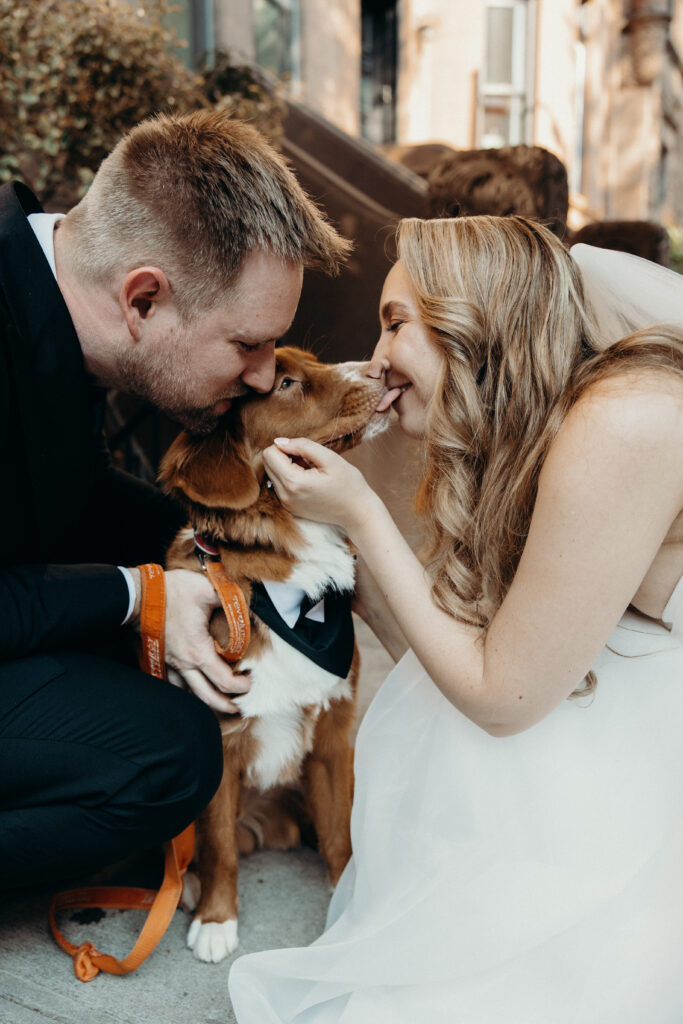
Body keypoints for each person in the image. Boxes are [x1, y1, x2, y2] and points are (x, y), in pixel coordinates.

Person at [229, 215, 683, 1022]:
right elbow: (459, 659)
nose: (374, 359)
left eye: (394, 322)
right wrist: (347, 571)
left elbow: (500, 695)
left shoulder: (621, 420)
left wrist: (364, 517)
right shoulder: (547, 411)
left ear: (474, 319)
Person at [0, 109, 350, 889]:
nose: (263, 376)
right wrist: (141, 593)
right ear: (145, 300)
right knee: (170, 753)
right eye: (246, 344)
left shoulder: (45, 279)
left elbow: (70, 490)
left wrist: (226, 550)